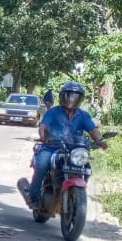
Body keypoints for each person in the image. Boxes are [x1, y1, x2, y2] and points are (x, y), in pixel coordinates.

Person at [25, 81, 108, 209]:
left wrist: (101, 141)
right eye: (69, 95)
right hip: (52, 147)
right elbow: (43, 126)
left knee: (86, 167)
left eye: (75, 96)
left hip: (74, 150)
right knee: (42, 164)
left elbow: (93, 131)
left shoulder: (83, 115)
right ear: (63, 96)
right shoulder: (53, 112)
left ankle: (75, 194)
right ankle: (34, 197)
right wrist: (43, 136)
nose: (71, 99)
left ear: (80, 99)